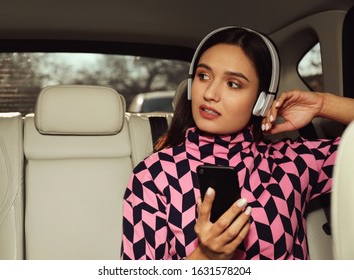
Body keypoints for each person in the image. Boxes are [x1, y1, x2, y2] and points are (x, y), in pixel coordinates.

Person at [121, 26, 354, 260]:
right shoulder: (153, 175)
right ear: (191, 86)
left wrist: (324, 105)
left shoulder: (294, 162)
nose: (210, 93)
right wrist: (205, 256)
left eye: (233, 83)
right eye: (204, 76)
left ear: (261, 101)